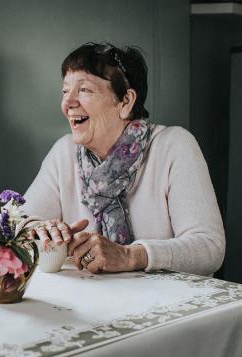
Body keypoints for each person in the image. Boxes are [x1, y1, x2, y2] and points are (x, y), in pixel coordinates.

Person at [24, 42, 224, 276]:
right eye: (65, 91)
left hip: (169, 302)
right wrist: (42, 230)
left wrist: (131, 256)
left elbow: (210, 248)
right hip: (97, 302)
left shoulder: (174, 145)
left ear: (125, 102)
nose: (68, 104)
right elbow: (19, 224)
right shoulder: (63, 152)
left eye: (85, 90)